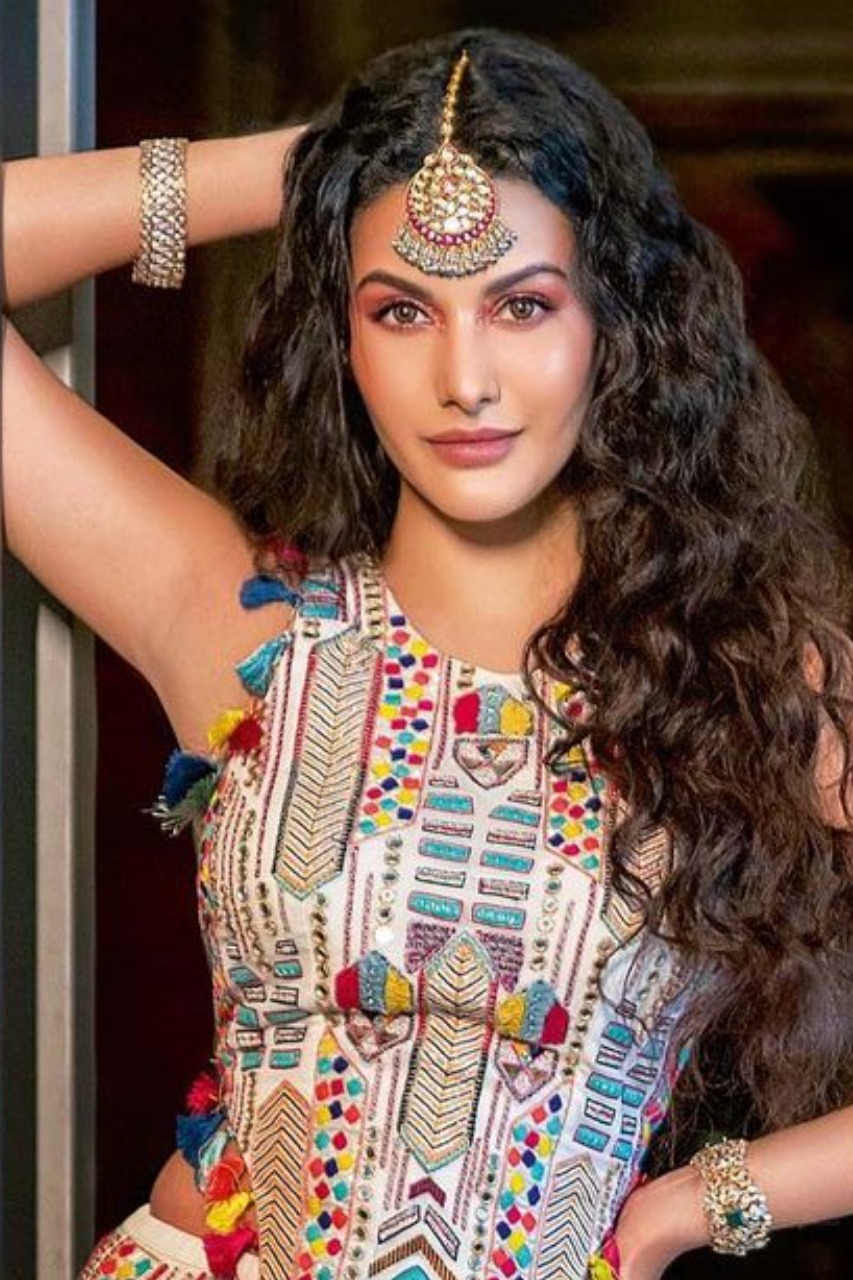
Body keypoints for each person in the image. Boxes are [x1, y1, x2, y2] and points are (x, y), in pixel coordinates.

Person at [4, 25, 853, 1280]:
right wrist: (324, 166)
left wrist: (699, 1200)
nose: (464, 378)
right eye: (400, 307)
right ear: (342, 338)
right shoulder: (245, 629)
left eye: (523, 305)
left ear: (614, 324)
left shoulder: (747, 678)